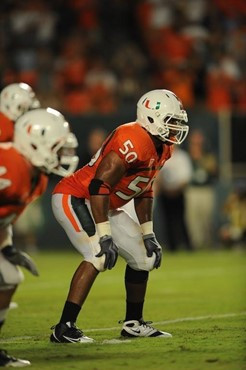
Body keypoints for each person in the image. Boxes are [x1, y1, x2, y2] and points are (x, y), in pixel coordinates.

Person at [50, 89, 189, 343]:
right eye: (171, 121)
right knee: (97, 254)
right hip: (76, 197)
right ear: (150, 117)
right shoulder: (132, 138)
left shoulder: (163, 148)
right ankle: (64, 327)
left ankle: (133, 324)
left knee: (144, 259)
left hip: (105, 204)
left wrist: (149, 233)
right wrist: (105, 236)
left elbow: (144, 189)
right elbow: (98, 186)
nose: (175, 128)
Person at [0, 108, 78, 367]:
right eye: (56, 148)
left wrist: (7, 247)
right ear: (34, 143)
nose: (62, 155)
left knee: (10, 276)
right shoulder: (9, 164)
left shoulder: (38, 178)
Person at [155, 146, 193, 252]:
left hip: (178, 193)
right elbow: (157, 175)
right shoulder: (161, 155)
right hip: (164, 192)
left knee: (180, 220)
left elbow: (186, 177)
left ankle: (187, 244)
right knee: (167, 221)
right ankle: (172, 246)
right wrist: (164, 188)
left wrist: (175, 190)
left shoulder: (182, 157)